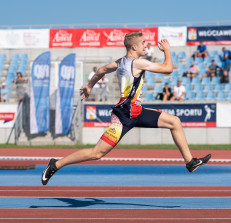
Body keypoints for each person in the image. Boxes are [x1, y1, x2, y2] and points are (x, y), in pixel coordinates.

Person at [41, 32, 211, 186]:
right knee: (97, 153)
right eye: (144, 43)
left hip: (137, 111)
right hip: (123, 117)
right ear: (134, 47)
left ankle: (190, 162)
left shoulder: (120, 62)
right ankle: (55, 164)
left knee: (175, 122)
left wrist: (90, 86)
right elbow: (168, 69)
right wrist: (166, 50)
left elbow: (101, 70)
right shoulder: (138, 63)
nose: (147, 45)